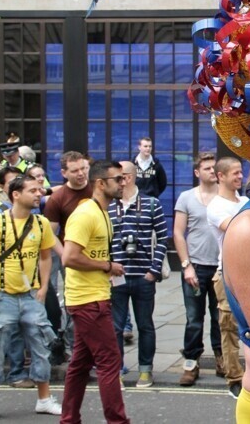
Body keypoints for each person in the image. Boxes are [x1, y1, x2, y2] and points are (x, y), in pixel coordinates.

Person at [0, 175, 63, 421]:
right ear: (15, 194)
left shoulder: (40, 223)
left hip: (30, 296)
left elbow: (46, 256)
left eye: (39, 190)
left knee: (40, 346)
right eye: (32, 190)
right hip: (1, 296)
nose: (39, 194)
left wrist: (42, 288)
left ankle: (44, 399)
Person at [60, 160, 129, 424]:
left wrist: (107, 268)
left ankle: (68, 419)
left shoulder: (102, 213)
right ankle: (118, 421)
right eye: (118, 179)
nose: (123, 183)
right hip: (89, 301)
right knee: (110, 363)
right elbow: (69, 257)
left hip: (93, 298)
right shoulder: (86, 214)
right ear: (101, 183)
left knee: (79, 365)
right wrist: (107, 266)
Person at [108, 161, 168, 388]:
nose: (115, 181)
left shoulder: (152, 204)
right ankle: (117, 372)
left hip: (143, 276)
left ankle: (145, 370)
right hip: (116, 276)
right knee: (115, 327)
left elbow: (162, 238)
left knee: (145, 325)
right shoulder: (108, 206)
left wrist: (153, 271)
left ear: (128, 177)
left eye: (118, 177)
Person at [173, 152, 223, 387]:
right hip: (196, 267)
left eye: (214, 168)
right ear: (197, 173)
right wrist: (186, 266)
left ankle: (222, 360)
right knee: (194, 319)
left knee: (220, 317)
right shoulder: (186, 198)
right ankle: (191, 363)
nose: (212, 171)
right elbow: (178, 233)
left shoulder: (227, 197)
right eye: (207, 168)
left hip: (221, 267)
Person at [207, 156, 248, 399]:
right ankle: (234, 377)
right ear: (220, 176)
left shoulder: (244, 201)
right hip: (228, 273)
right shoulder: (215, 207)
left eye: (240, 172)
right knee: (229, 326)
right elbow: (237, 229)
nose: (239, 176)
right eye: (234, 173)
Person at [43, 151, 93, 353]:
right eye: (75, 171)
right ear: (64, 173)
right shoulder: (57, 199)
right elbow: (50, 233)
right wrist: (65, 254)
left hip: (99, 256)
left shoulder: (97, 189)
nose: (81, 174)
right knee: (75, 305)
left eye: (83, 168)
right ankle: (76, 350)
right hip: (73, 259)